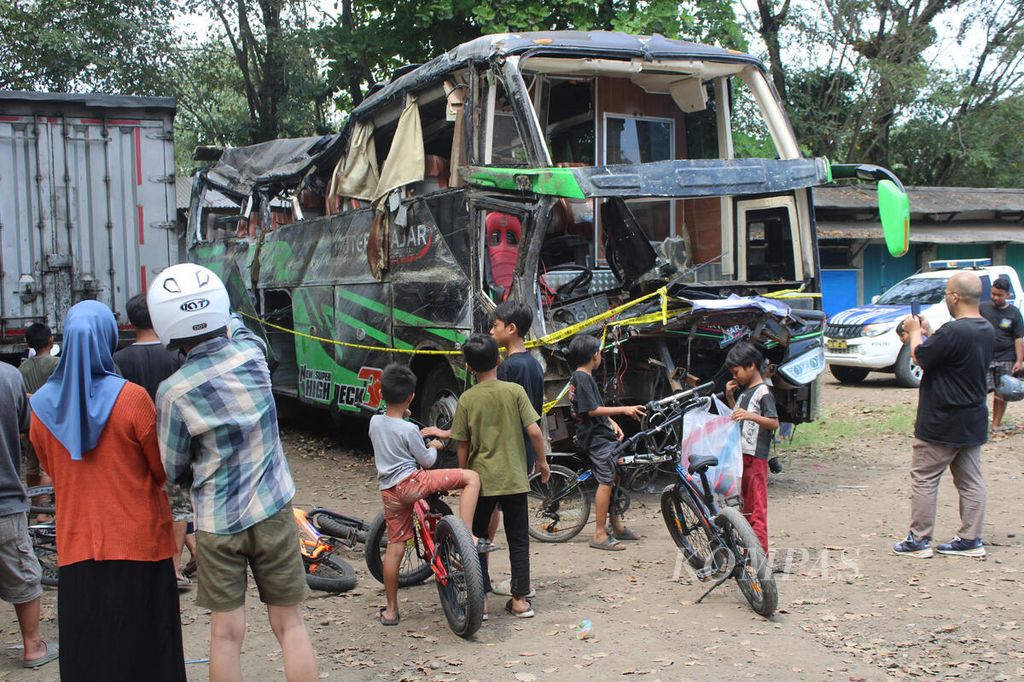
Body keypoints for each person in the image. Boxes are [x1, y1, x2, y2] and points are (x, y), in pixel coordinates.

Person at [149, 263, 317, 681]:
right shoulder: (253, 357)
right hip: (274, 508)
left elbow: (172, 467)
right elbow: (240, 328)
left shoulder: (173, 392)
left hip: (217, 523)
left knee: (226, 634)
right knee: (290, 624)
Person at [29, 301, 183, 680]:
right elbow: (161, 470)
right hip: (139, 543)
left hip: (77, 544)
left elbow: (50, 470)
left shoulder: (42, 409)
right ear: (108, 339)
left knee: (91, 649)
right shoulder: (132, 399)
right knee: (147, 649)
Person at [370, 364, 482, 626]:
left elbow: (388, 423)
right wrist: (435, 445)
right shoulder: (409, 430)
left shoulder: (375, 422)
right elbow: (427, 461)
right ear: (410, 397)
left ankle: (391, 610)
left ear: (381, 392)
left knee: (396, 548)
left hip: (390, 491)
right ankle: (466, 536)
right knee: (471, 478)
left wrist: (402, 412)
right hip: (413, 483)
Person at [893, 271, 993, 559]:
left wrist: (914, 333)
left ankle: (919, 540)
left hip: (941, 420)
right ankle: (970, 539)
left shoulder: (954, 331)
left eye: (946, 293)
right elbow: (950, 349)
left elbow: (920, 356)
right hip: (972, 419)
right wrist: (928, 331)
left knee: (924, 477)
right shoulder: (985, 328)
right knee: (971, 480)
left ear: (954, 296)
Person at [450, 334, 549, 618]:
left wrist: (463, 475)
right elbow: (534, 431)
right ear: (499, 359)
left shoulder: (467, 399)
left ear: (468, 367)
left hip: (481, 481)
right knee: (518, 540)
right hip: (515, 479)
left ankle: (480, 601)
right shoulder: (515, 391)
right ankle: (519, 600)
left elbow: (462, 444)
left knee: (478, 539)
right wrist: (542, 462)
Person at [114, 294, 194, 589]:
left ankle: (143, 561)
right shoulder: (175, 356)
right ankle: (173, 567)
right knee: (178, 504)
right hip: (172, 440)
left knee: (139, 502)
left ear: (130, 321)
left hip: (133, 442)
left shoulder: (119, 359)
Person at [0, 361, 58, 669]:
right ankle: (33, 646)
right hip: (4, 504)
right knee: (25, 577)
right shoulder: (7, 377)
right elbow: (30, 428)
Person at [566, 334, 646, 552]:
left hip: (602, 434)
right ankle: (599, 534)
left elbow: (593, 407)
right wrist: (623, 410)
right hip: (594, 440)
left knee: (618, 473)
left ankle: (616, 525)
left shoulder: (584, 377)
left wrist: (611, 423)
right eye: (600, 352)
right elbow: (591, 410)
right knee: (606, 480)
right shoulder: (582, 378)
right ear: (594, 356)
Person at [489, 300, 545, 597]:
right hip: (524, 451)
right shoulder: (533, 364)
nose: (491, 330)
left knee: (497, 516)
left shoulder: (509, 369)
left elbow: (503, 413)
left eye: (495, 326)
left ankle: (487, 580)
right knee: (515, 521)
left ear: (511, 329)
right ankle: (520, 585)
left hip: (505, 453)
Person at [724, 342, 780, 554]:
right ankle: (750, 552)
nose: (735, 376)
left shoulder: (763, 391)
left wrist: (750, 415)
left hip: (755, 457)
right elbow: (737, 418)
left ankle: (760, 555)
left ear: (751, 366)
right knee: (746, 507)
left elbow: (774, 422)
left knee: (756, 508)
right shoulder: (745, 392)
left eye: (736, 371)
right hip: (743, 456)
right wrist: (730, 398)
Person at [18, 323, 58, 512]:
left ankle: (36, 508)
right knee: (47, 466)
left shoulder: (21, 369)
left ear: (28, 342)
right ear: (51, 340)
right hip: (50, 423)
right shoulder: (56, 364)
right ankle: (45, 511)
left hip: (29, 424)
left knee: (32, 466)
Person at [979, 277, 1023, 431]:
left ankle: (995, 425)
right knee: (980, 391)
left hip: (1006, 357)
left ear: (1007, 295)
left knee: (1001, 392)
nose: (995, 298)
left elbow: (1018, 338)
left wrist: (1019, 360)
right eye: (993, 294)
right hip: (985, 356)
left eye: (999, 295)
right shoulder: (982, 309)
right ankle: (979, 424)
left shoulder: (1014, 313)